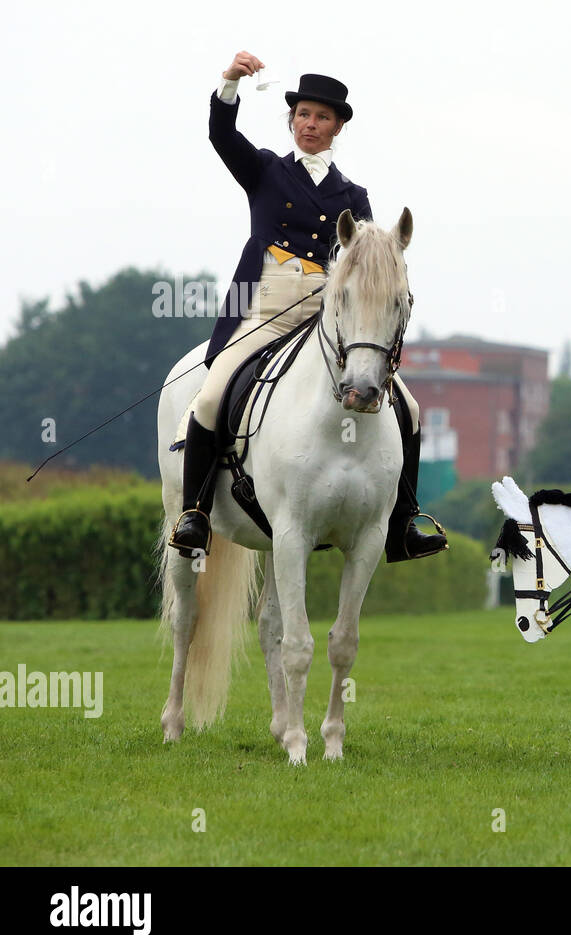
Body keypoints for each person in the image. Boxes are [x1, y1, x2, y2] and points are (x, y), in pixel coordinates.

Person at [168, 50, 446, 563]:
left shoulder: (354, 195)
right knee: (208, 399)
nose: (309, 125)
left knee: (409, 408)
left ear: (337, 126)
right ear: (291, 120)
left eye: (321, 117)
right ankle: (197, 513)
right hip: (263, 308)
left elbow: (365, 264)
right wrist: (229, 83)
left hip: (327, 320)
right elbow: (221, 137)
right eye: (302, 115)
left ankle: (404, 520)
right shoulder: (266, 171)